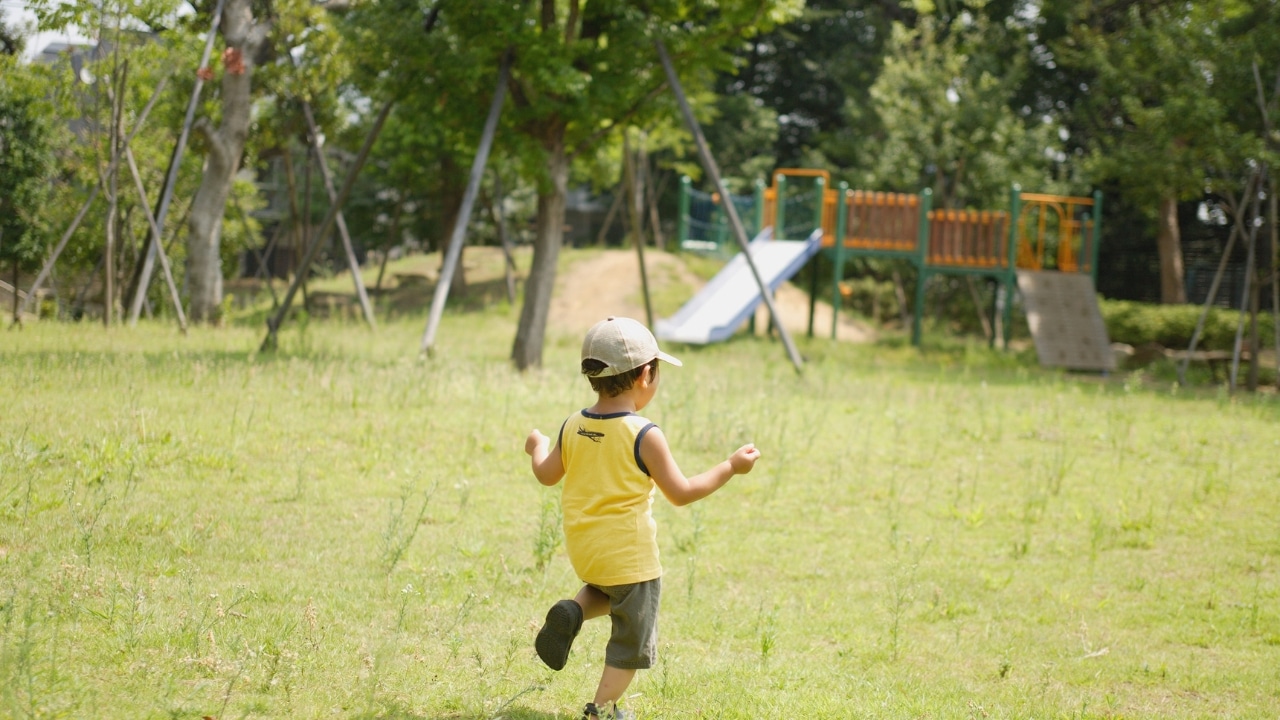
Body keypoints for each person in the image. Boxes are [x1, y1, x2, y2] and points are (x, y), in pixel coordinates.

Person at [525, 316, 761, 720]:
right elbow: (681, 492)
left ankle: (575, 611)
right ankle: (599, 711)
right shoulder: (643, 433)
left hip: (587, 554)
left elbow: (546, 475)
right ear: (646, 375)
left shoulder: (573, 425)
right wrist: (730, 466)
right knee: (631, 640)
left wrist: (537, 445)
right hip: (630, 558)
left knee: (609, 590)